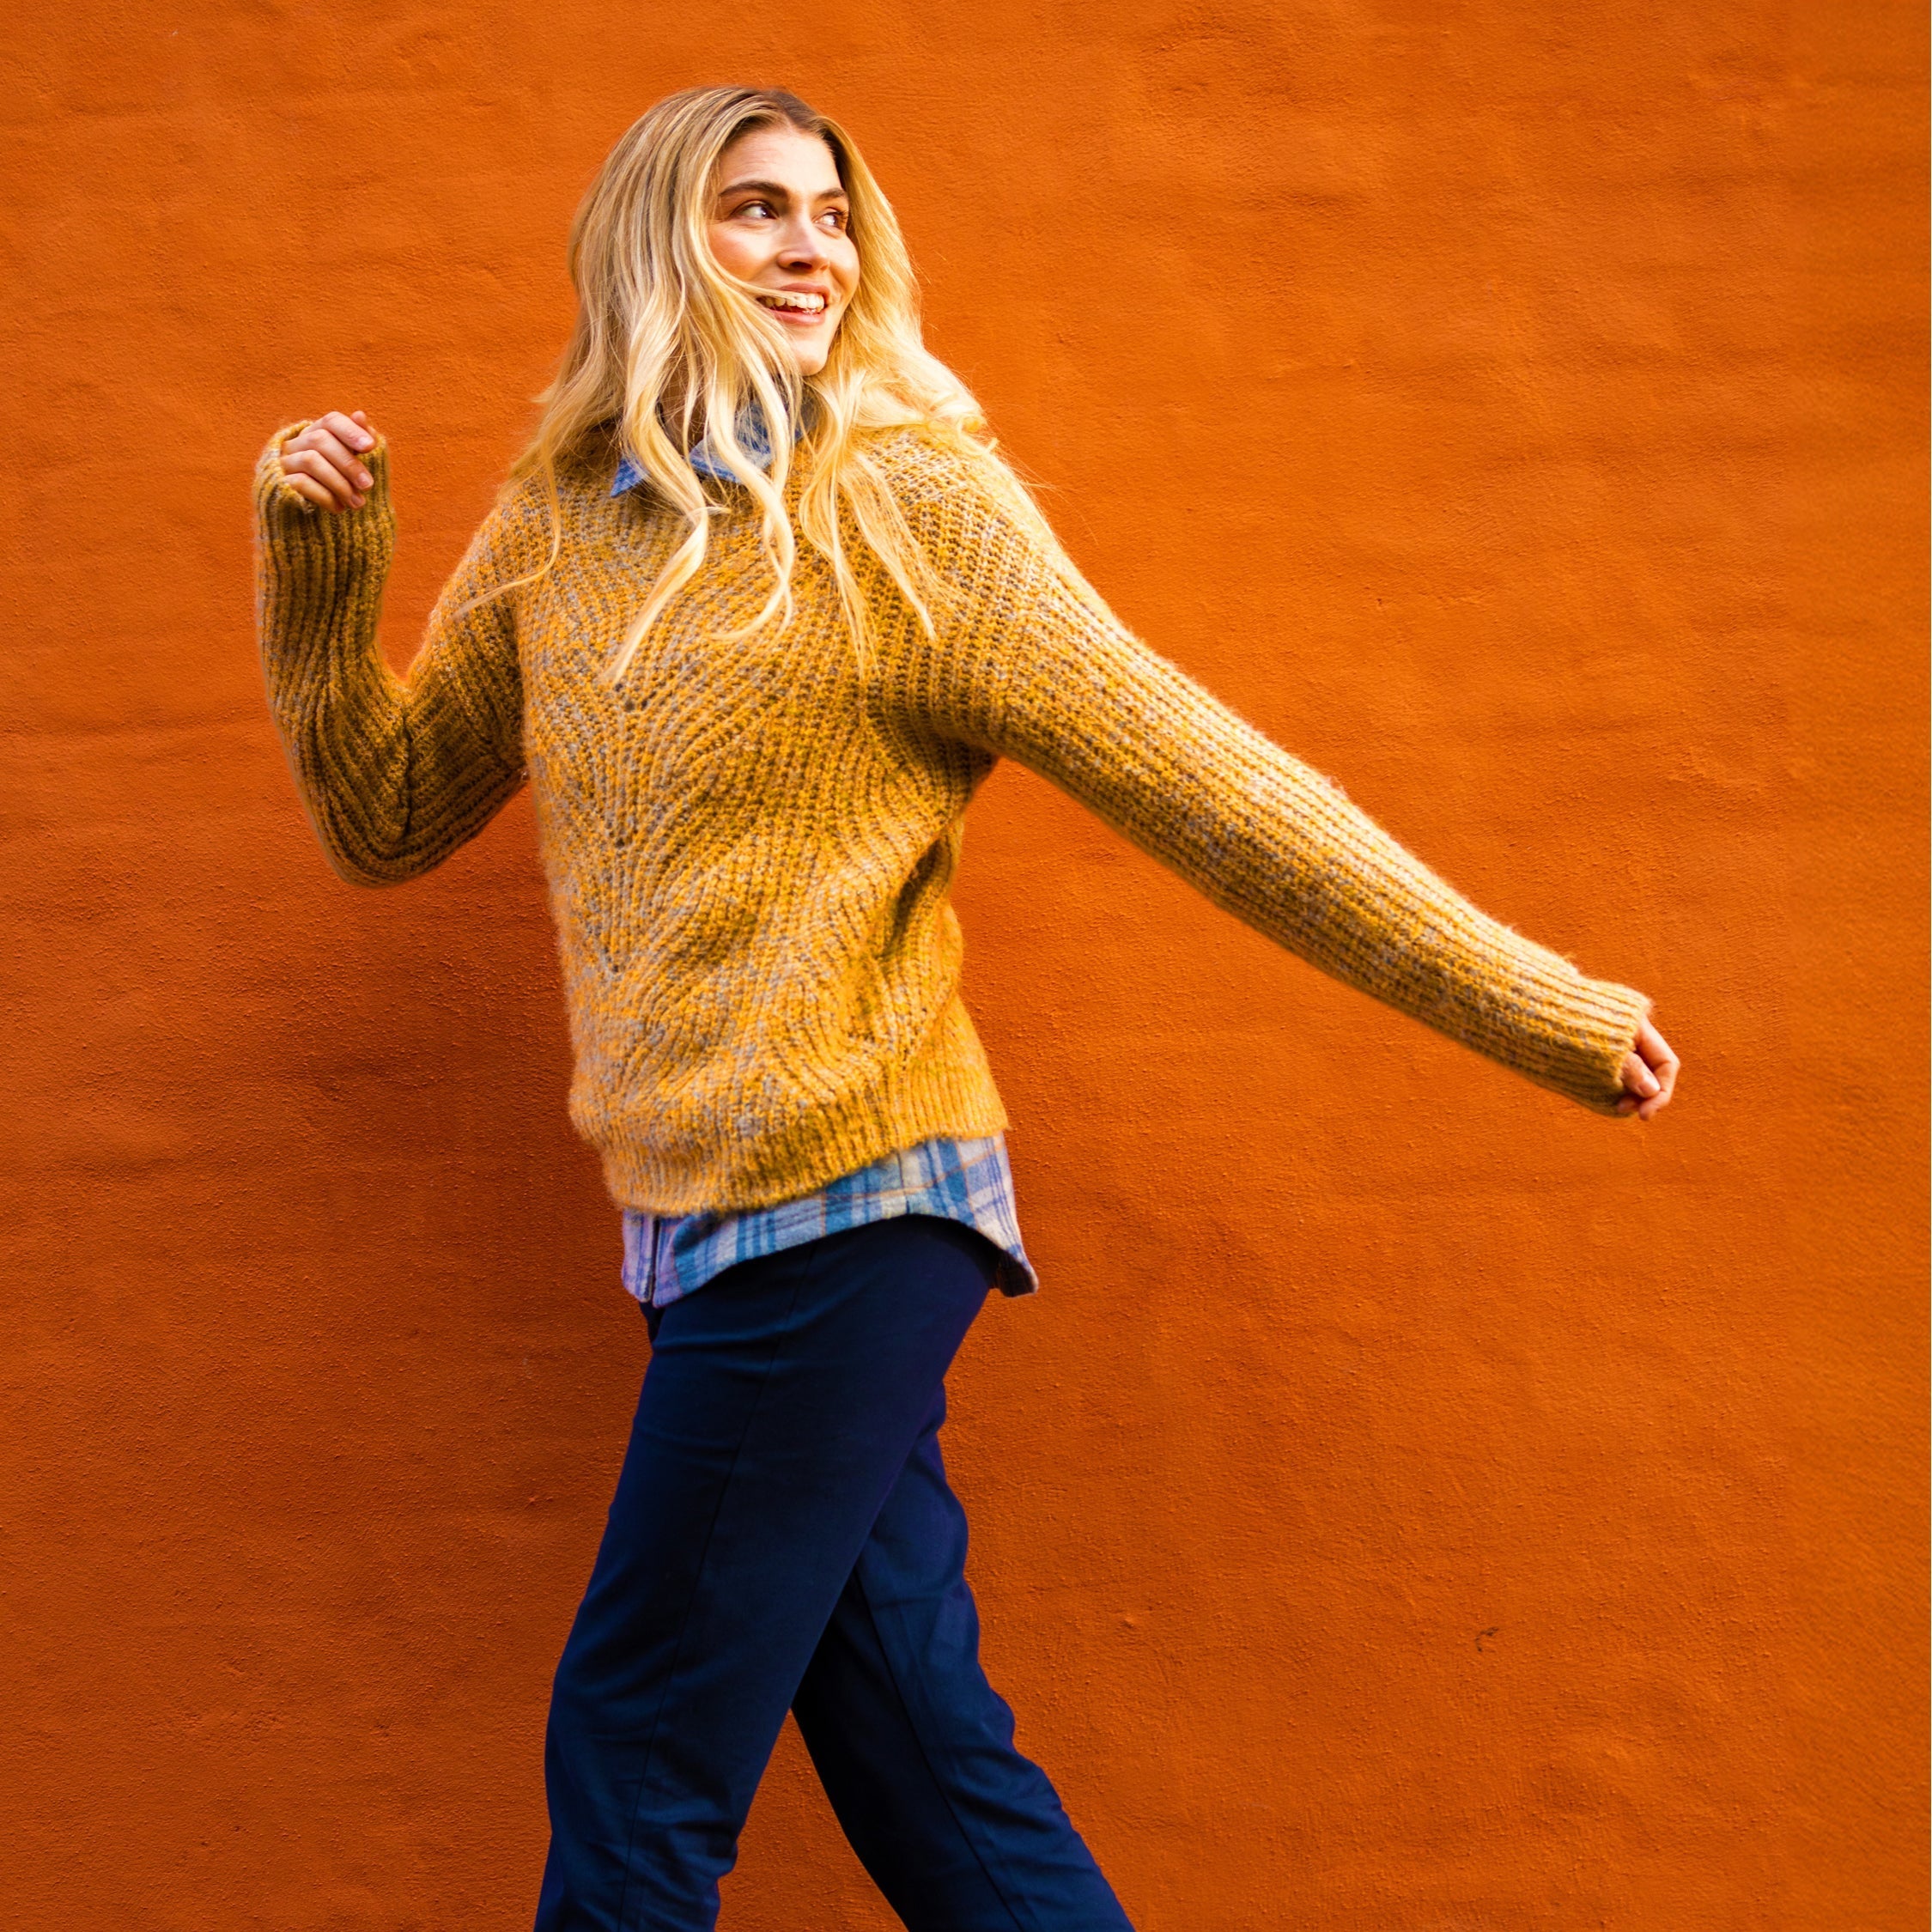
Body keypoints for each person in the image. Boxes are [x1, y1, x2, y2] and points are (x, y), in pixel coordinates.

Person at [252, 82, 1679, 1932]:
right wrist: (321, 569)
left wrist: (1541, 1008)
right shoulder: (555, 526)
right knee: (925, 1762)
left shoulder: (905, 505)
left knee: (637, 1747)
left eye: (832, 216)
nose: (812, 251)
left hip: (848, 1200)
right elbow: (384, 816)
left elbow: (1215, 787)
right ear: (652, 244)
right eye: (757, 209)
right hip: (693, 1230)